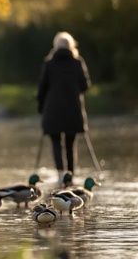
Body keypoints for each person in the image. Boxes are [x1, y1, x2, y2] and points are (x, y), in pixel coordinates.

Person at [37, 32, 90, 185]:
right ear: (71, 45)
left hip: (52, 111)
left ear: (55, 46)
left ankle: (60, 173)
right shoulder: (77, 62)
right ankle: (70, 175)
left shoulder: (49, 63)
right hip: (73, 110)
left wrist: (40, 108)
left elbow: (42, 89)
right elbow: (85, 86)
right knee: (70, 143)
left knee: (56, 143)